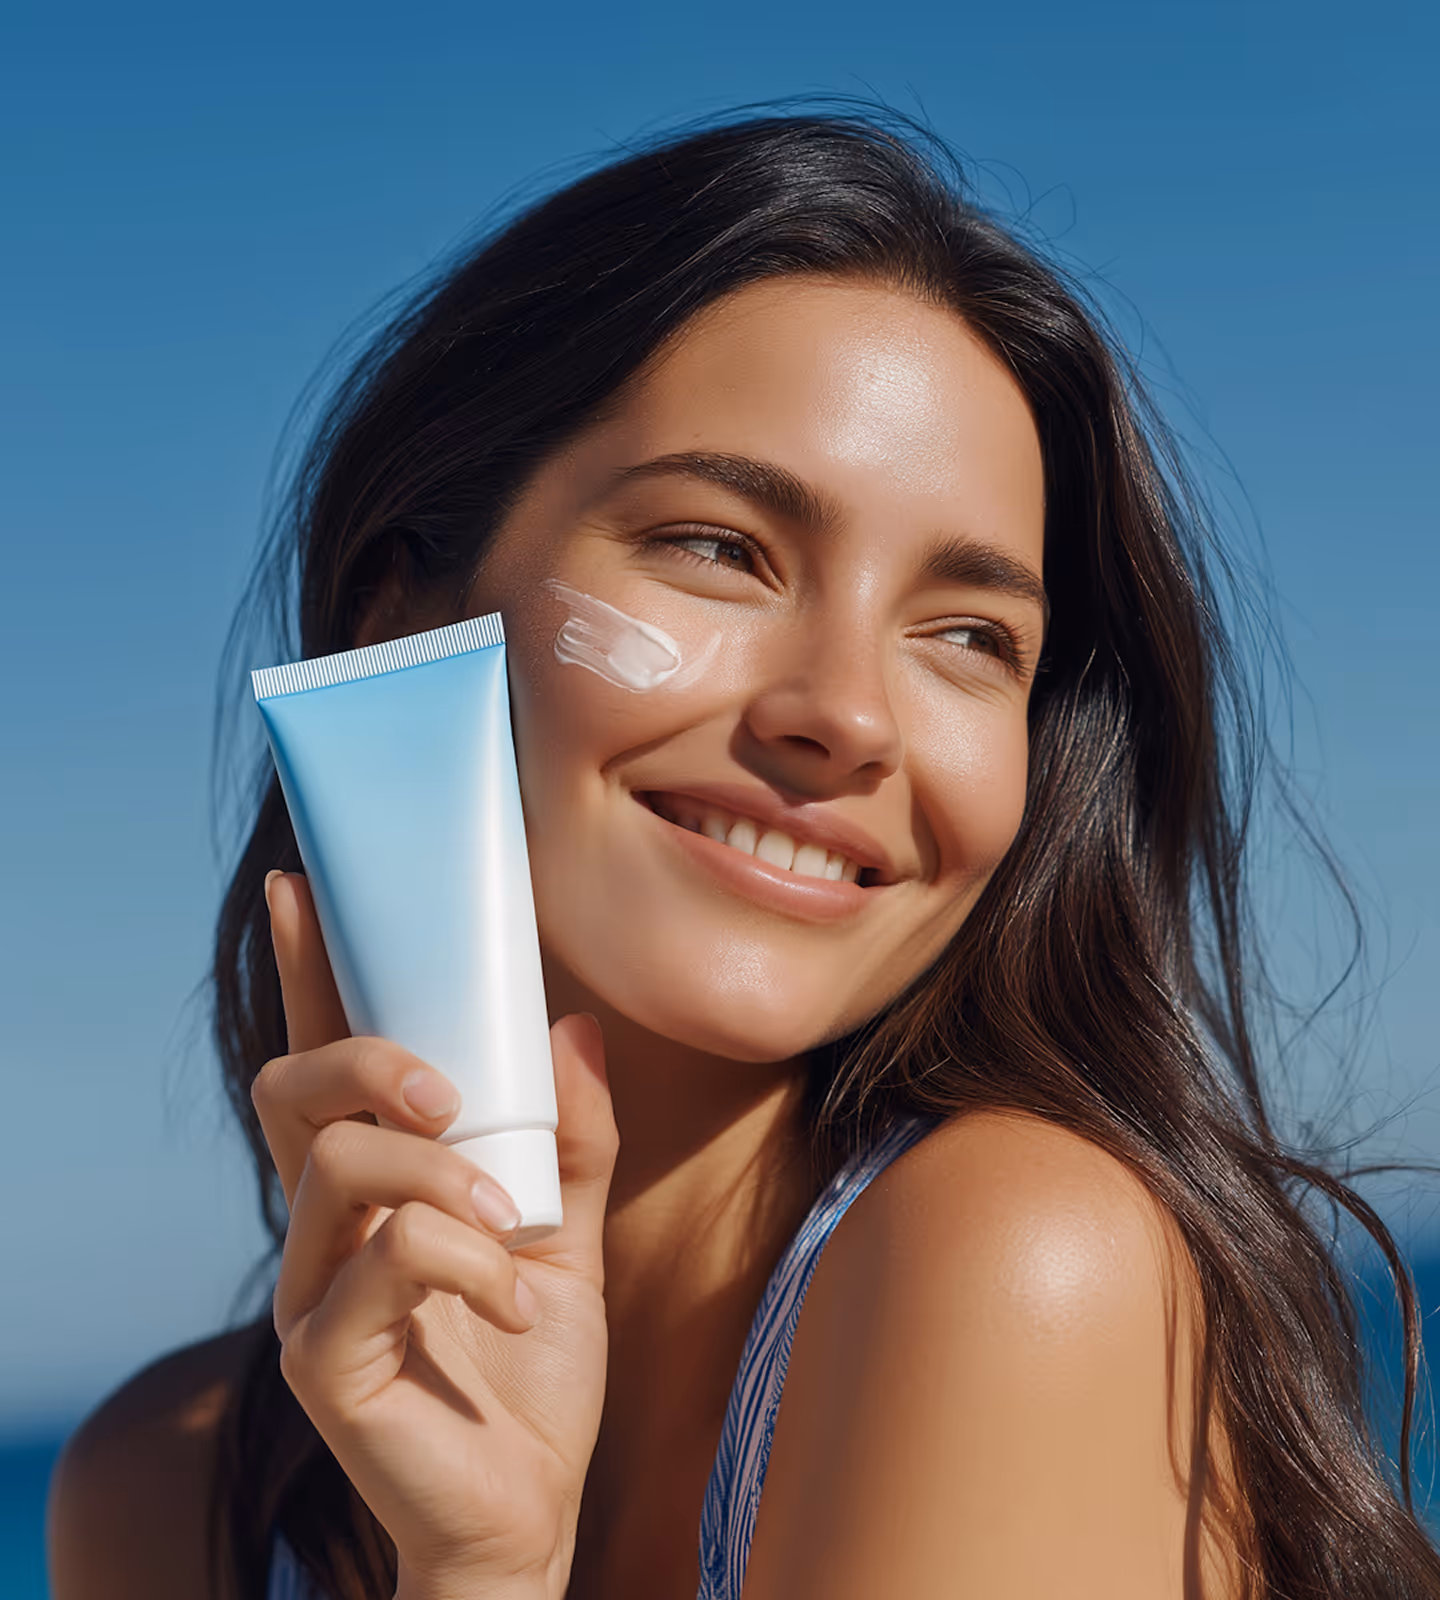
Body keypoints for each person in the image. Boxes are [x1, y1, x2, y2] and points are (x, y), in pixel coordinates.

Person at [48, 110, 1440, 1600]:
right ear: (403, 613)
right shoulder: (170, 1487)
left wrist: (492, 1573)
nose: (846, 715)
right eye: (719, 548)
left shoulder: (1016, 1265)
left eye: (969, 637)